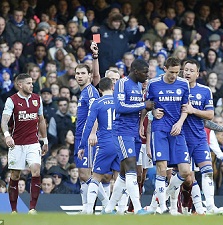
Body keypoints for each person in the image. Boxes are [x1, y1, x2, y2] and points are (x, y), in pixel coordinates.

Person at [180, 59, 223, 215]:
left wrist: (192, 110)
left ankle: (210, 207)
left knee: (208, 170)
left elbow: (209, 115)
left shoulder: (205, 91)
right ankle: (180, 205)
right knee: (186, 176)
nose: (187, 72)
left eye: (191, 70)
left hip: (200, 138)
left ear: (197, 73)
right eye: (185, 70)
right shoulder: (178, 89)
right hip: (181, 139)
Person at [140, 57, 190, 214]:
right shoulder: (153, 84)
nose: (174, 75)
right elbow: (147, 105)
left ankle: (160, 199)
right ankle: (162, 208)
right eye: (171, 72)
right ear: (165, 68)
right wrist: (152, 112)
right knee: (162, 168)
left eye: (177, 72)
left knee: (185, 171)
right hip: (159, 129)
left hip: (177, 130)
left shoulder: (183, 84)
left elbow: (186, 108)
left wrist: (180, 123)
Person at [104, 59, 154, 215]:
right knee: (131, 165)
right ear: (135, 71)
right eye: (145, 72)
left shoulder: (139, 86)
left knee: (125, 173)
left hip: (134, 132)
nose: (147, 75)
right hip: (122, 131)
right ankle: (138, 208)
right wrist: (143, 105)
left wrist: (140, 124)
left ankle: (108, 209)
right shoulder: (122, 83)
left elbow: (138, 109)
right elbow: (119, 107)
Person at [1, 73, 48, 214]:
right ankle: (14, 210)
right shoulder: (11, 100)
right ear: (20, 85)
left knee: (36, 171)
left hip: (33, 143)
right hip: (16, 144)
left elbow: (41, 120)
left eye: (32, 82)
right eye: (28, 83)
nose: (32, 85)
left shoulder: (37, 99)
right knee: (15, 175)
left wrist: (44, 140)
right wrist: (7, 136)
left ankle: (32, 208)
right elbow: (4, 121)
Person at [78, 77, 118, 214]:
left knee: (96, 177)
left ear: (99, 90)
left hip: (105, 143)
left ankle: (89, 209)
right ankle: (119, 209)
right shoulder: (120, 102)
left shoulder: (97, 103)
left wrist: (82, 146)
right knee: (120, 178)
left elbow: (88, 125)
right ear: (113, 87)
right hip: (120, 143)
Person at [74, 41, 100, 214]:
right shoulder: (84, 91)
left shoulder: (90, 92)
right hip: (79, 136)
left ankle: (107, 204)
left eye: (83, 73)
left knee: (86, 174)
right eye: (77, 73)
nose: (79, 76)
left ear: (89, 76)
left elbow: (95, 114)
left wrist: (91, 134)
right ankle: (86, 208)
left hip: (87, 137)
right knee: (83, 176)